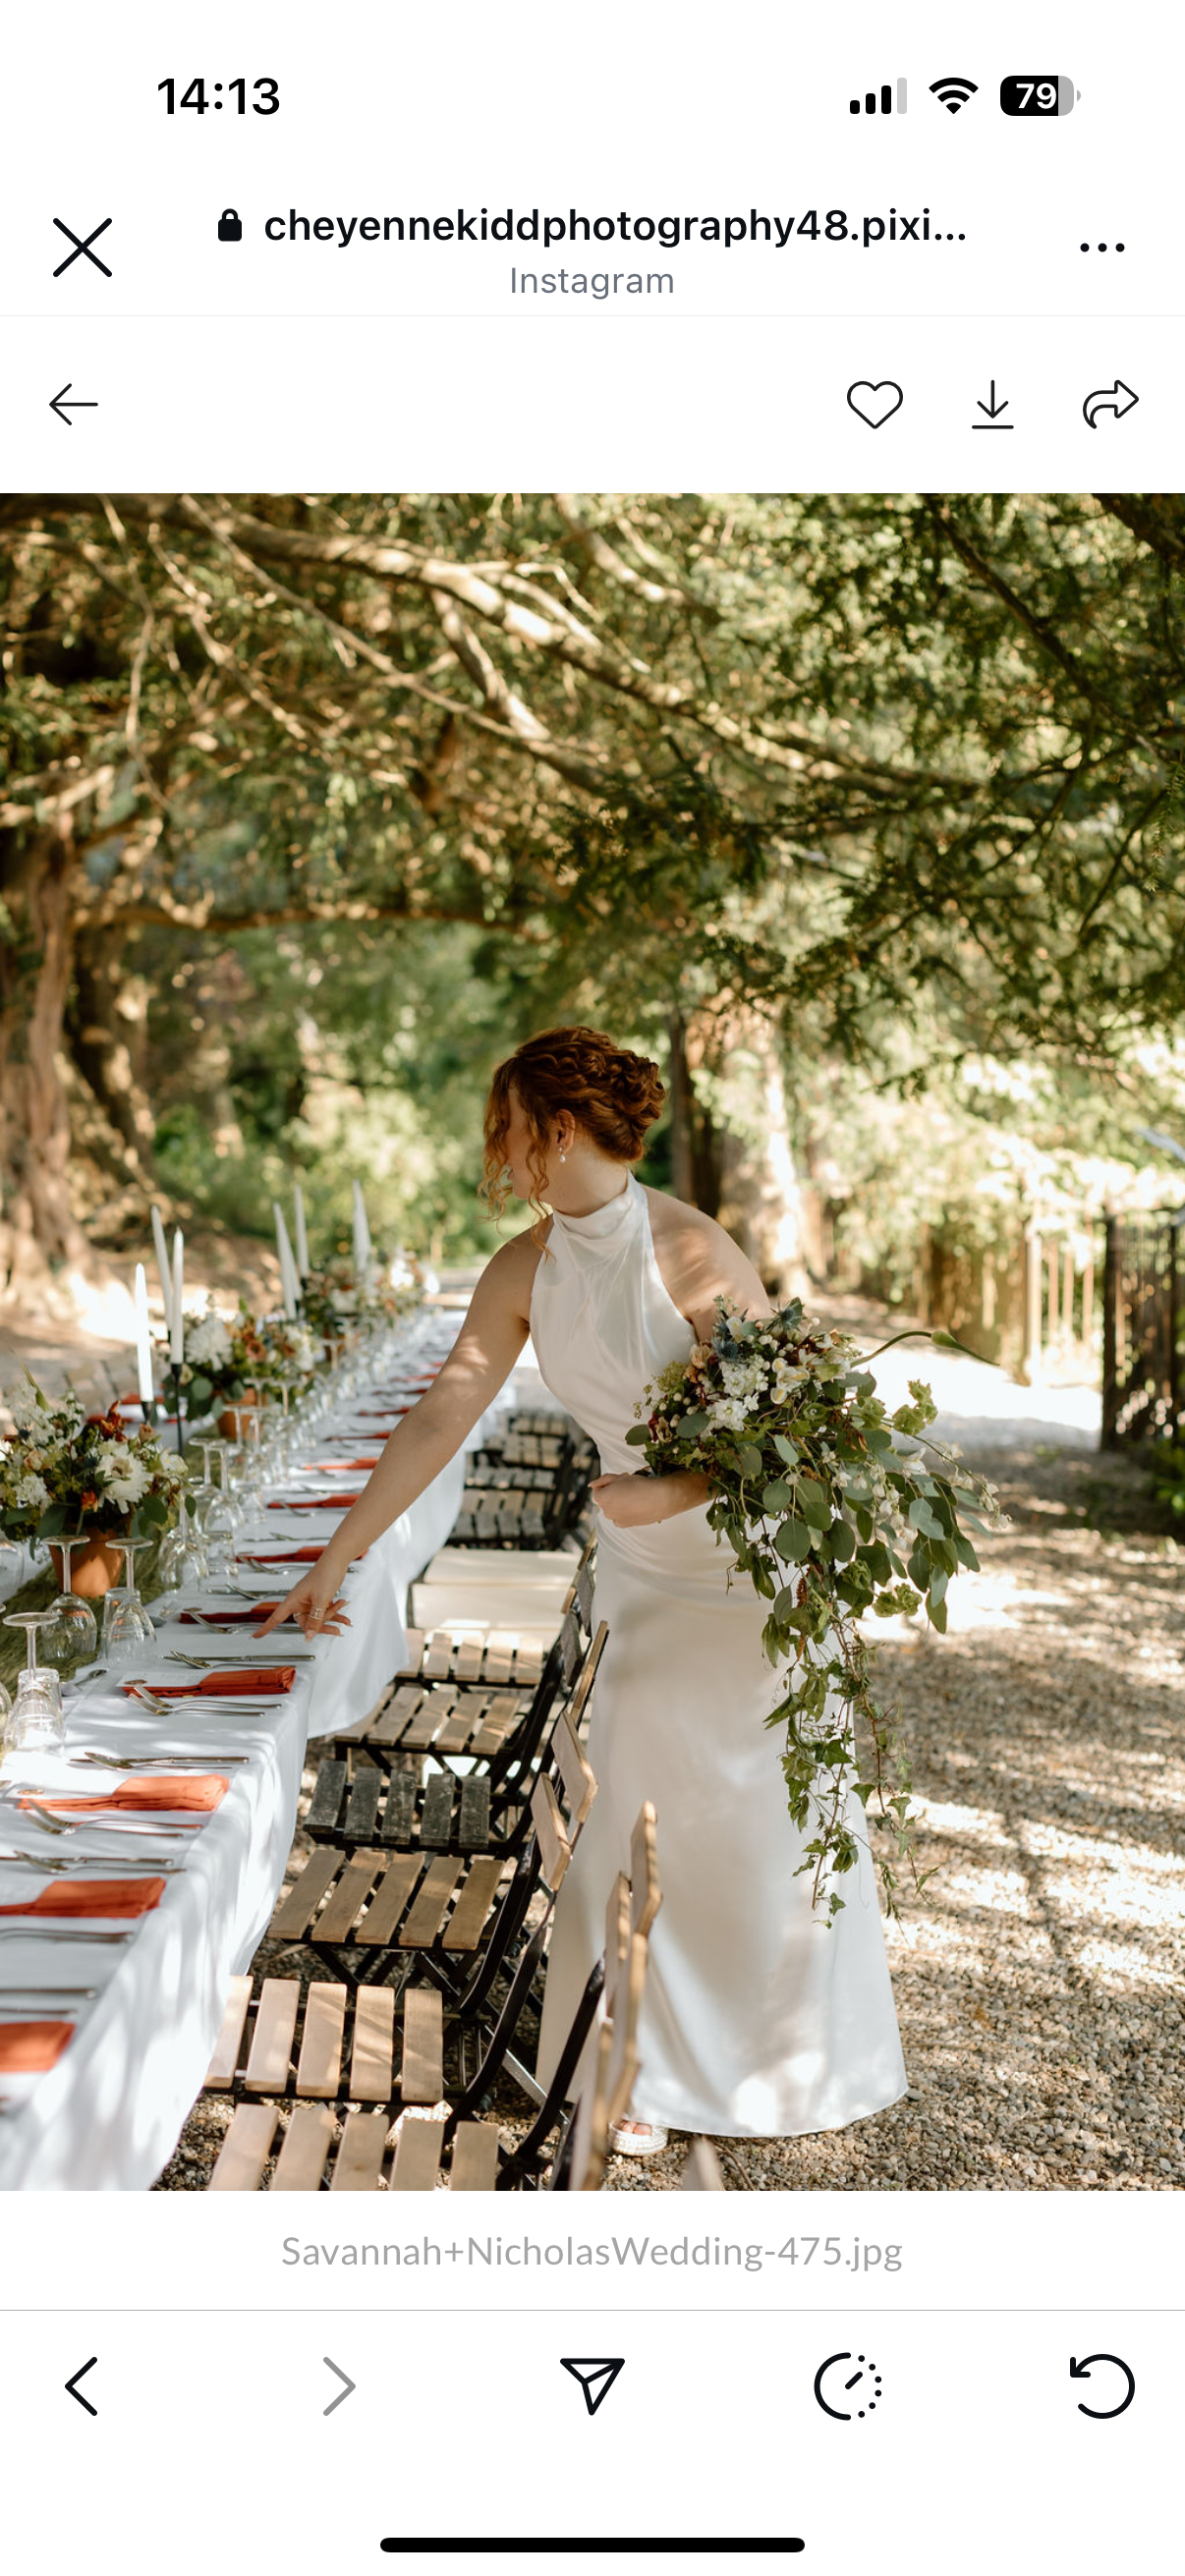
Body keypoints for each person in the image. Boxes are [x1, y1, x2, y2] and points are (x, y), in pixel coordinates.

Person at [258, 1025, 907, 2155]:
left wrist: (666, 1490)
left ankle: (779, 2066)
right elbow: (438, 1415)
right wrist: (337, 1555)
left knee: (754, 1820)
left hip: (744, 1578)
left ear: (557, 1130)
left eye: (505, 1130)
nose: (494, 1154)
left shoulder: (697, 1254)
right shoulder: (525, 1266)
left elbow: (801, 1449)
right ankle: (634, 2074)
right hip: (641, 1581)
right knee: (632, 1816)